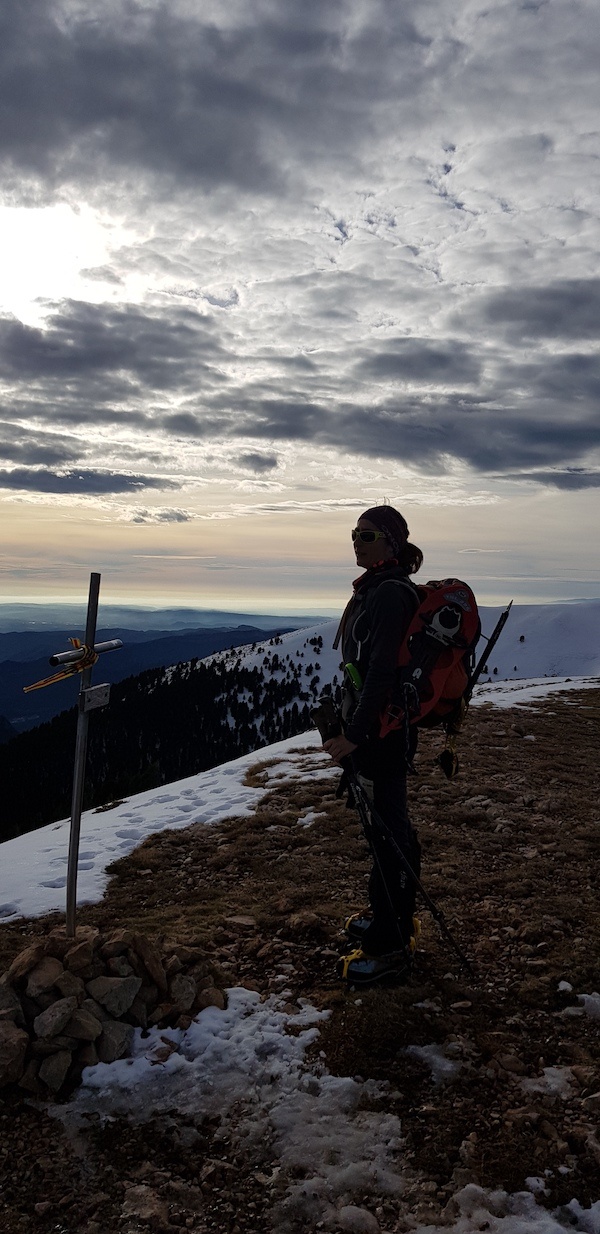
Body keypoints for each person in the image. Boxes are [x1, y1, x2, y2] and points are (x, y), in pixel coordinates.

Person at [323, 504, 424, 984]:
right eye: (354, 534)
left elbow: (382, 673)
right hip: (379, 731)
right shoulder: (378, 591)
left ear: (391, 542)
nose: (356, 542)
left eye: (366, 535)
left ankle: (390, 945)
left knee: (388, 833)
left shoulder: (388, 595)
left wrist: (353, 737)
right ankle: (390, 918)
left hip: (382, 736)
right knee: (386, 829)